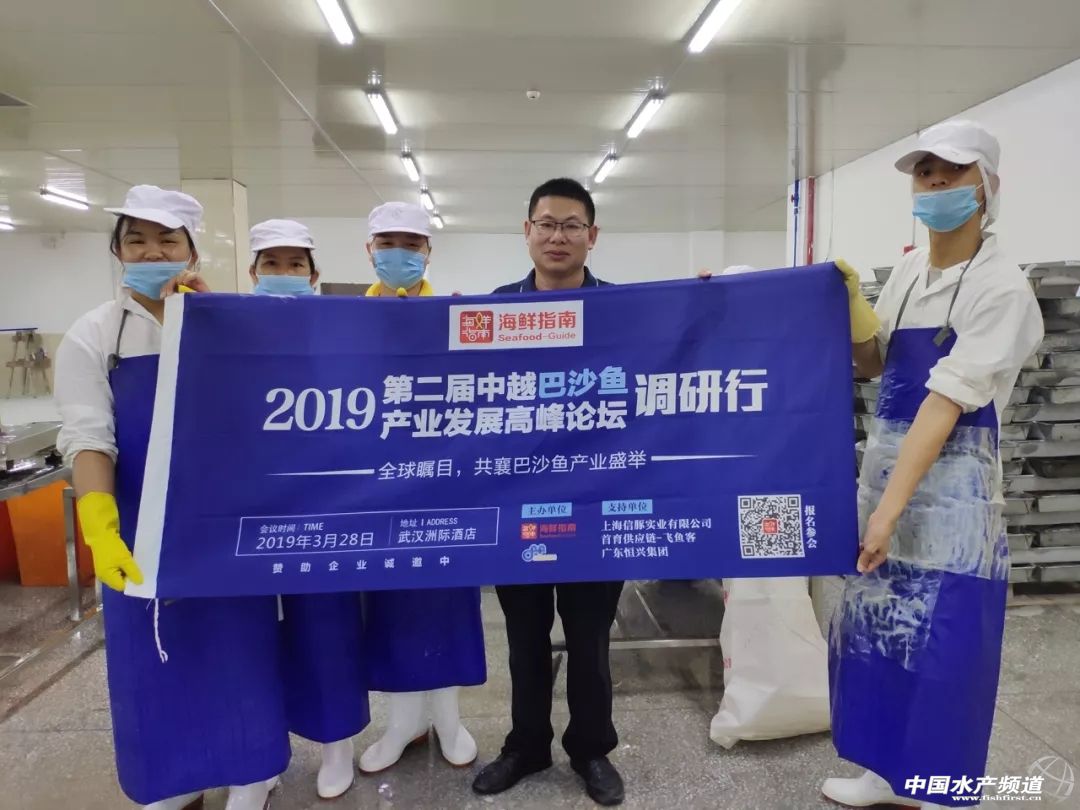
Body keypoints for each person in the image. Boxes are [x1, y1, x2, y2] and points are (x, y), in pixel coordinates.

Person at [823, 121, 1043, 808]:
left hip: (953, 507)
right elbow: (874, 365)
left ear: (987, 186)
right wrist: (848, 309)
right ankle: (883, 773)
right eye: (925, 172)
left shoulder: (1001, 288)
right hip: (887, 481)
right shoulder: (911, 271)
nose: (936, 182)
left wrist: (888, 512)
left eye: (953, 171)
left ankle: (940, 791)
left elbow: (944, 403)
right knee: (876, 635)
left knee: (947, 652)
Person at [54, 186, 290, 810]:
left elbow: (267, 413)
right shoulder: (94, 335)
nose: (151, 252)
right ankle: (174, 777)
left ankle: (253, 773)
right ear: (118, 251)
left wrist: (219, 327)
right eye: (136, 240)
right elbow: (88, 437)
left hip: (226, 524)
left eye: (167, 240)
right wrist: (101, 525)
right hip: (139, 526)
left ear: (191, 251)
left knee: (239, 648)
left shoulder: (226, 320)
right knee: (152, 657)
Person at [471, 178, 625, 807]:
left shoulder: (624, 310)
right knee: (524, 637)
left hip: (596, 503)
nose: (557, 236)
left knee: (590, 641)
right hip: (519, 506)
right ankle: (527, 745)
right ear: (527, 231)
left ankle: (591, 748)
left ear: (592, 235)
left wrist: (708, 298)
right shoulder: (494, 312)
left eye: (571, 225)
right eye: (546, 223)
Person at [358, 201, 486, 773]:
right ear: (369, 250)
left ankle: (449, 719)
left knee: (447, 605)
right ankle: (403, 724)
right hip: (379, 489)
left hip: (445, 489)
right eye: (388, 243)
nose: (400, 254)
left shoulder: (453, 315)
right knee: (393, 608)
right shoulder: (344, 320)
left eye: (411, 244)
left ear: (428, 251)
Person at [245, 219, 370, 800]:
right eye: (271, 264)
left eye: (295, 264)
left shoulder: (338, 328)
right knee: (250, 639)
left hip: (324, 505)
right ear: (253, 272)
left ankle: (338, 747)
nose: (284, 273)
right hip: (250, 508)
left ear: (313, 274)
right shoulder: (231, 327)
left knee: (327, 628)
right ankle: (260, 755)